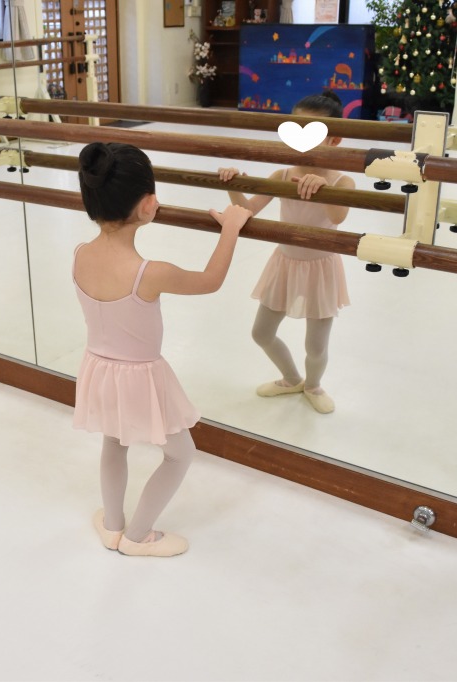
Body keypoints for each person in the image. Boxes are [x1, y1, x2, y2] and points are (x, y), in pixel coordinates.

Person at [73, 142, 252, 557]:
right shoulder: (149, 273)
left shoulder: (79, 255)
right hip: (140, 377)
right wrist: (230, 228)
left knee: (114, 442)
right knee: (179, 455)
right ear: (148, 204)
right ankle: (138, 536)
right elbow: (210, 281)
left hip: (99, 370)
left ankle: (112, 525)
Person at [218, 90, 354, 414]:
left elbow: (338, 217)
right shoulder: (281, 175)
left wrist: (323, 187)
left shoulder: (343, 181)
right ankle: (291, 378)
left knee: (315, 346)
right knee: (261, 332)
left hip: (320, 268)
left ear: (334, 139)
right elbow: (248, 211)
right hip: (284, 264)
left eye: (313, 132)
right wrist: (233, 185)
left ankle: (313, 385)